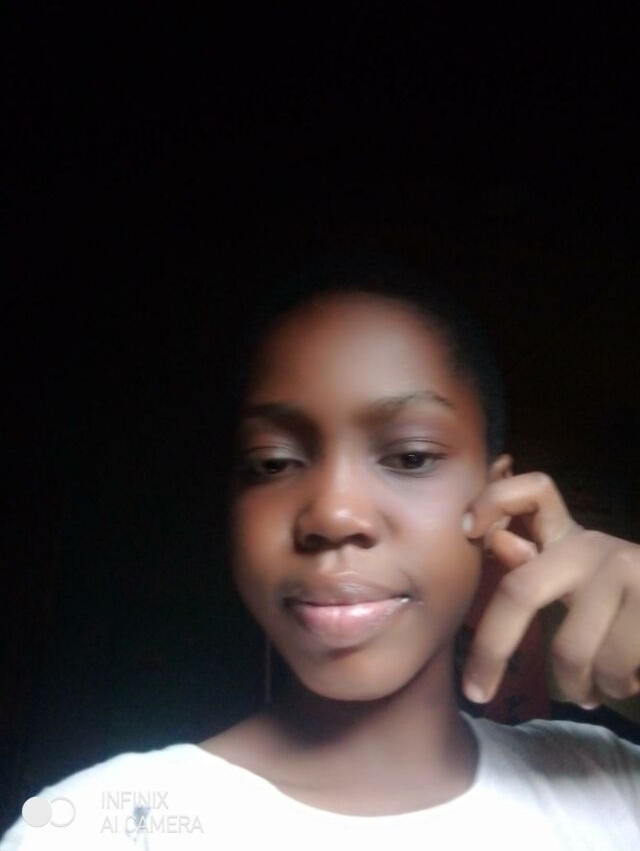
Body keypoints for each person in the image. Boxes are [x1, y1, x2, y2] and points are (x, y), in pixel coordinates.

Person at [2, 255, 639, 849]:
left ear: (501, 497)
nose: (334, 515)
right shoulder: (96, 829)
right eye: (272, 463)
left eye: (411, 457)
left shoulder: (610, 784)